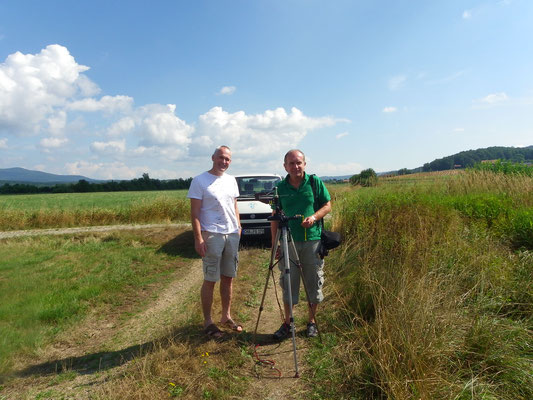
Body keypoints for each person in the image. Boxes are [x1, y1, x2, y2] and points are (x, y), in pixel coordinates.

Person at [271, 149, 332, 339]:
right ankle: (288, 324)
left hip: (312, 240)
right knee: (289, 283)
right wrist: (275, 246)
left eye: (299, 162)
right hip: (288, 241)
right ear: (285, 166)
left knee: (313, 282)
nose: (295, 166)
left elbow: (327, 205)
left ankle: (311, 322)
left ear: (305, 164)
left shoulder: (314, 183)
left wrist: (314, 217)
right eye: (291, 163)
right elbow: (274, 217)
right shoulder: (279, 188)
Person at [187, 145, 242, 340]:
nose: (224, 162)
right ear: (213, 158)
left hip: (232, 234)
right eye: (221, 158)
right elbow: (194, 214)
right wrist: (199, 238)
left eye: (227, 159)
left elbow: (234, 205)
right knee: (211, 278)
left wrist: (239, 226)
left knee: (228, 277)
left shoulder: (231, 180)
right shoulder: (200, 181)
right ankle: (208, 321)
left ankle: (226, 316)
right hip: (212, 234)